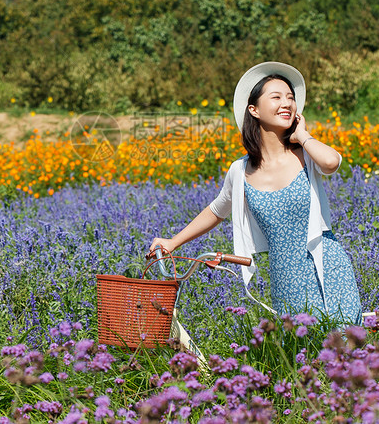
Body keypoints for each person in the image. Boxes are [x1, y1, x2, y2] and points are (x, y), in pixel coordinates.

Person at [148, 62, 362, 324]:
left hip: (328, 267)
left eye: (290, 98)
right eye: (276, 97)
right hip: (285, 277)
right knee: (305, 356)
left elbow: (331, 163)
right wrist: (172, 242)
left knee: (347, 350)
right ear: (254, 109)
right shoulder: (240, 171)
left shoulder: (306, 154)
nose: (287, 103)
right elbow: (216, 211)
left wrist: (303, 136)